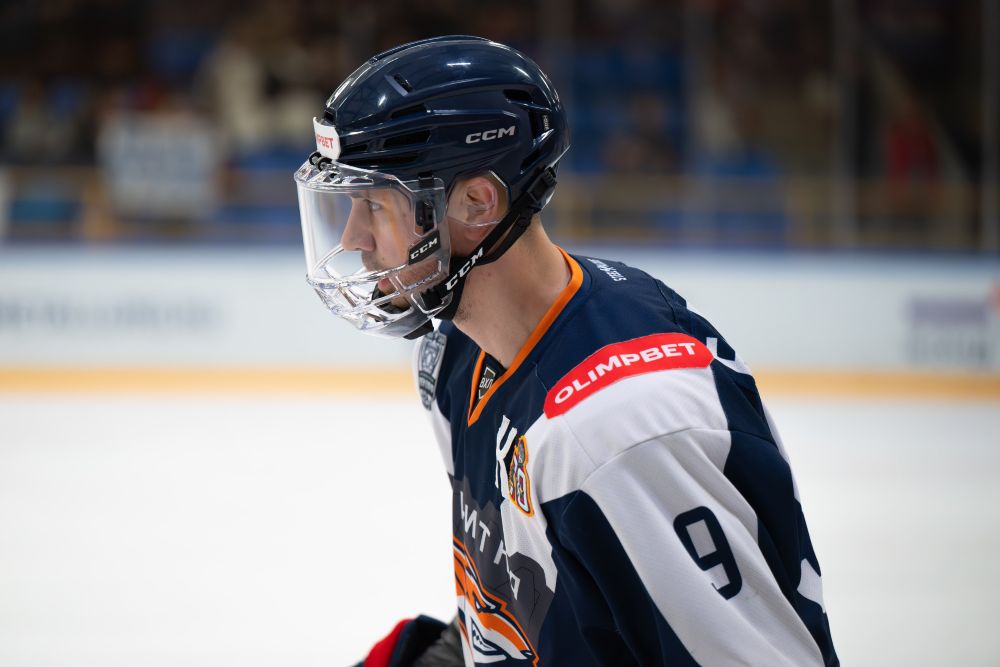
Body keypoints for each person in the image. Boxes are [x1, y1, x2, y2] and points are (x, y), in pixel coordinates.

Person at [293, 36, 838, 667]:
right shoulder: (455, 353)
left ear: (476, 203)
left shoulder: (621, 431)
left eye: (372, 204)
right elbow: (528, 607)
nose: (354, 238)